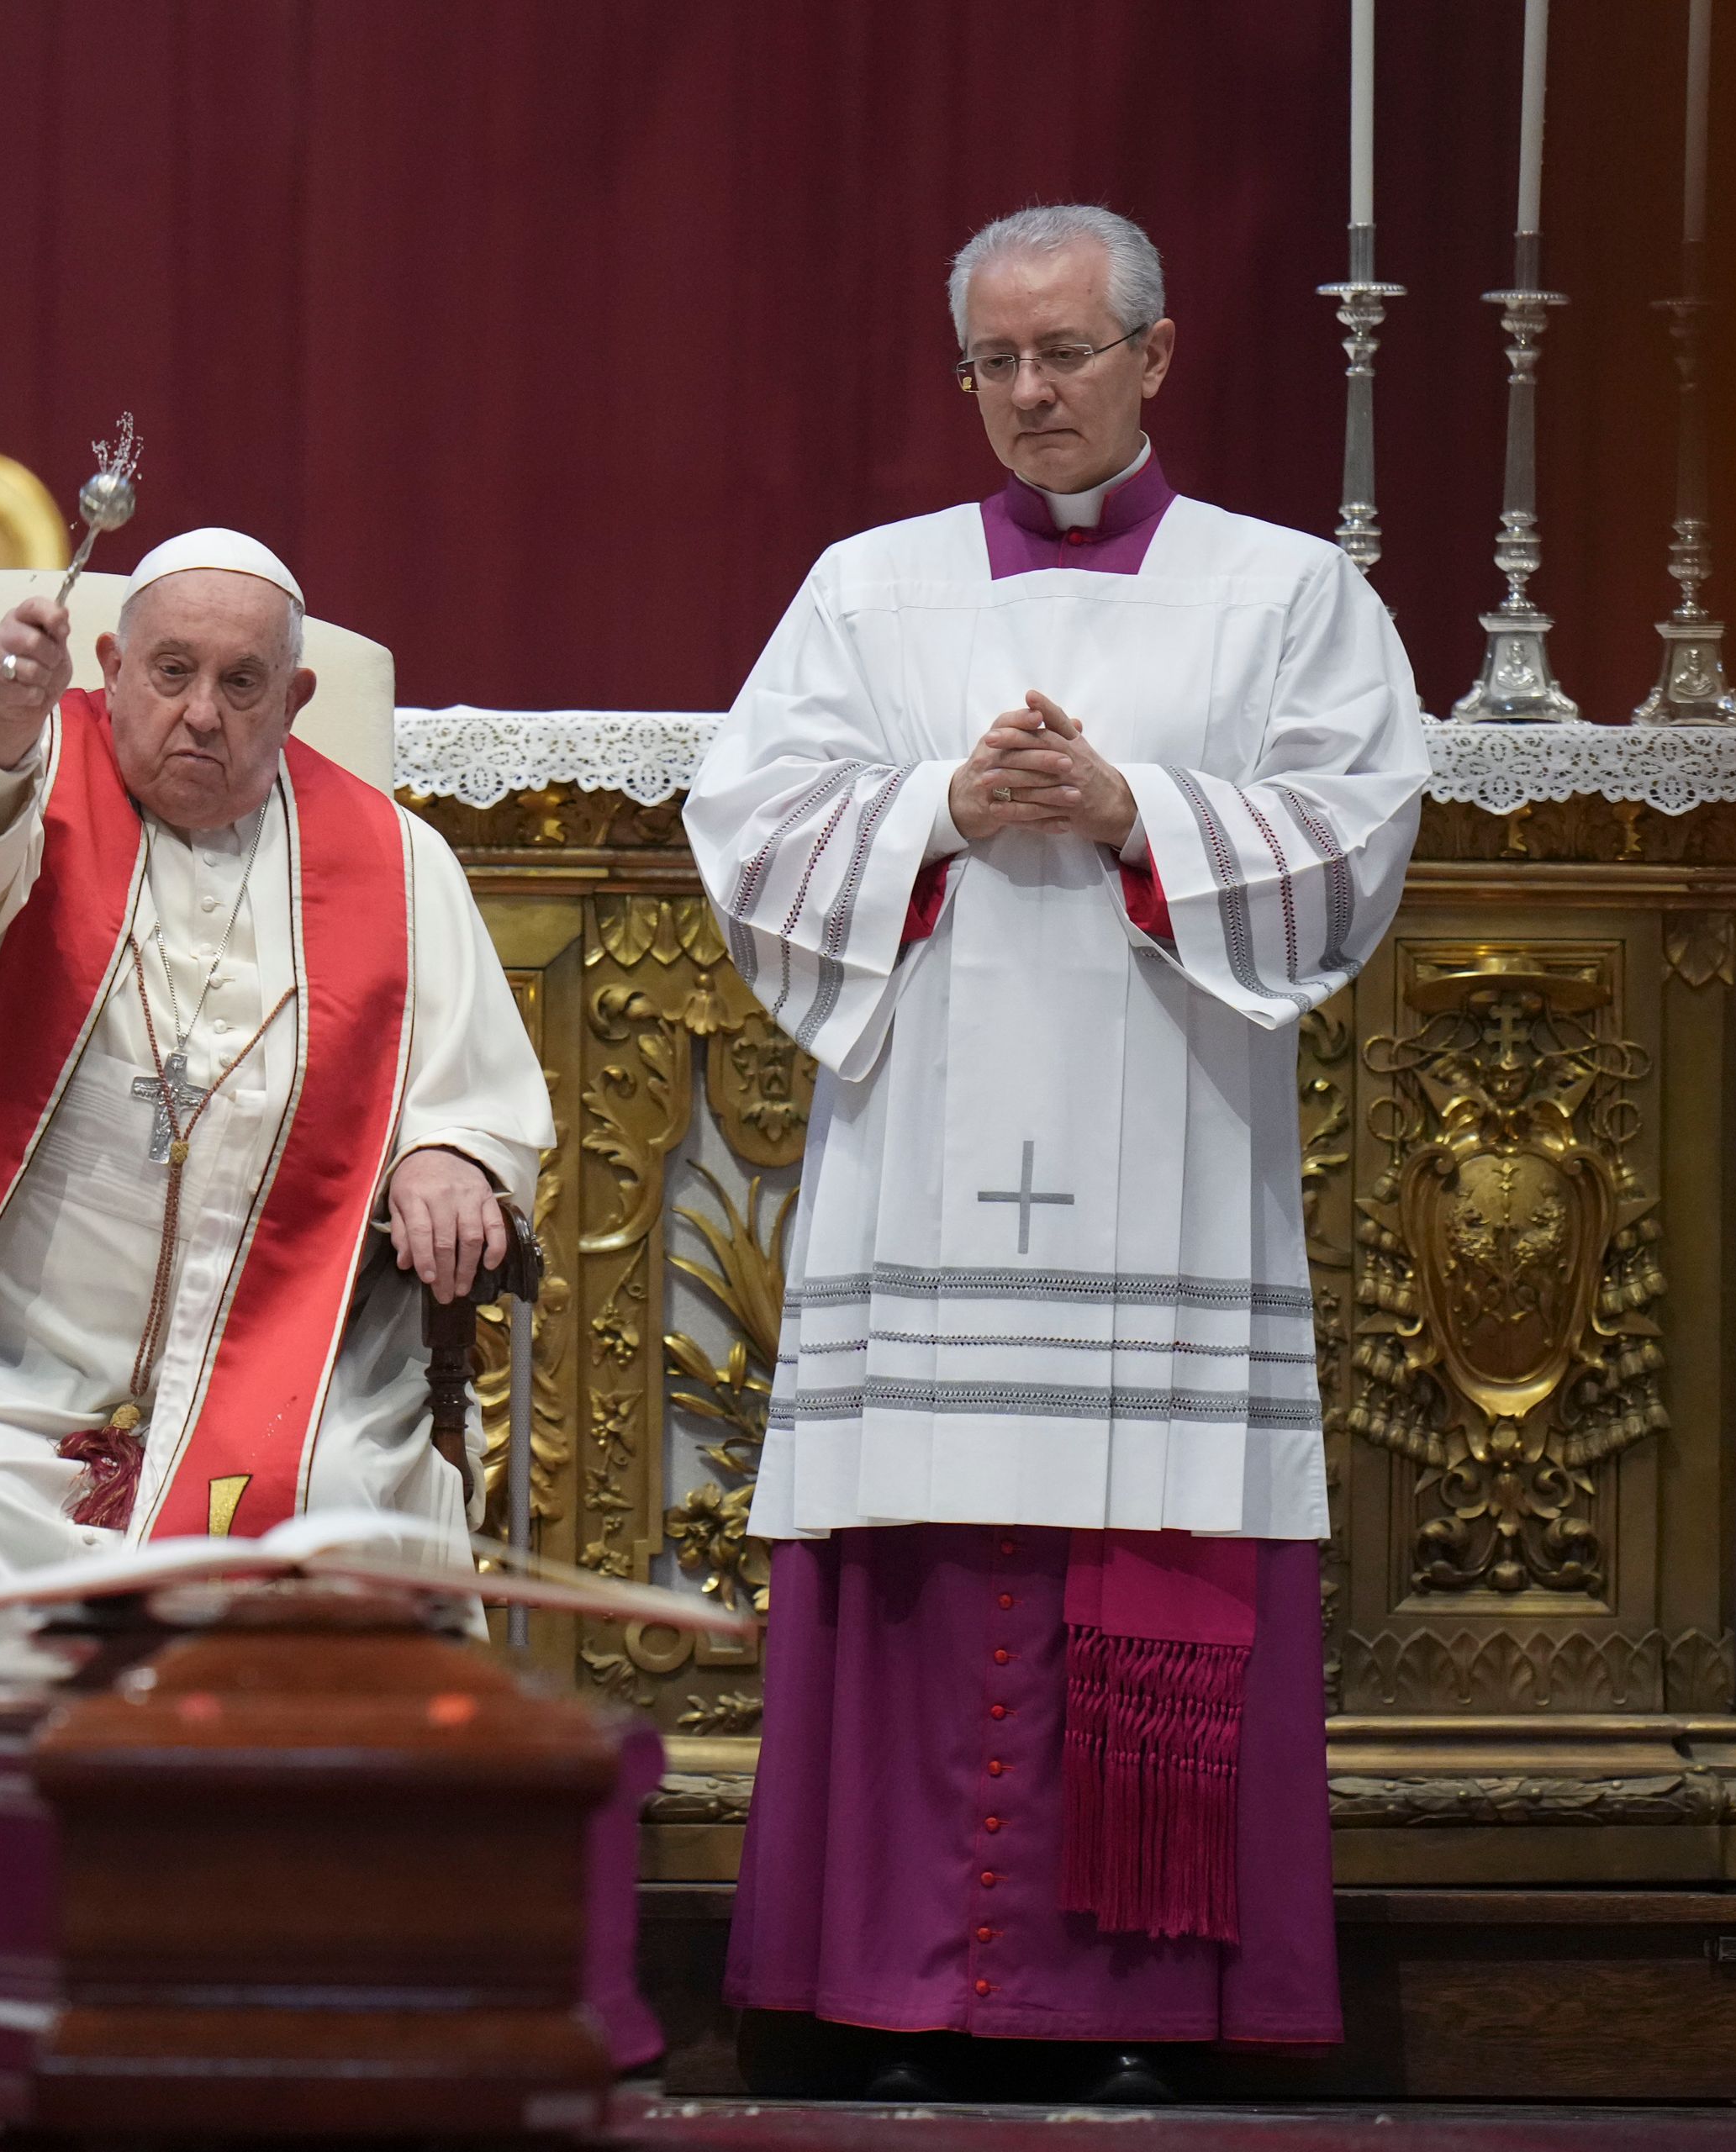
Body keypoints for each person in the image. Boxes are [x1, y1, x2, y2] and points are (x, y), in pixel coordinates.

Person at [686, 204, 1424, 2098]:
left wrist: (1132, 806)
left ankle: (1140, 2010)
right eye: (995, 362)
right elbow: (749, 817)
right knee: (922, 1566)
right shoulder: (871, 588)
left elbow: (1354, 829)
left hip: (1170, 1157)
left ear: (1156, 358)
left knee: (1146, 1544)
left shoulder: (1284, 594)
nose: (1031, 393)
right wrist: (939, 804)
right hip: (925, 1156)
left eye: (1068, 352)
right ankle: (889, 1995)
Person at [0, 530, 556, 2061]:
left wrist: (451, 1154)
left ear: (296, 697)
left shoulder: (394, 861)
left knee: (346, 1534)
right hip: (9, 1371)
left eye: (244, 684)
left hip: (293, 1378)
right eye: (169, 672)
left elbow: (479, 1091)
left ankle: (273, 2017)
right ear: (109, 673)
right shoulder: (27, 807)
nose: (203, 712)